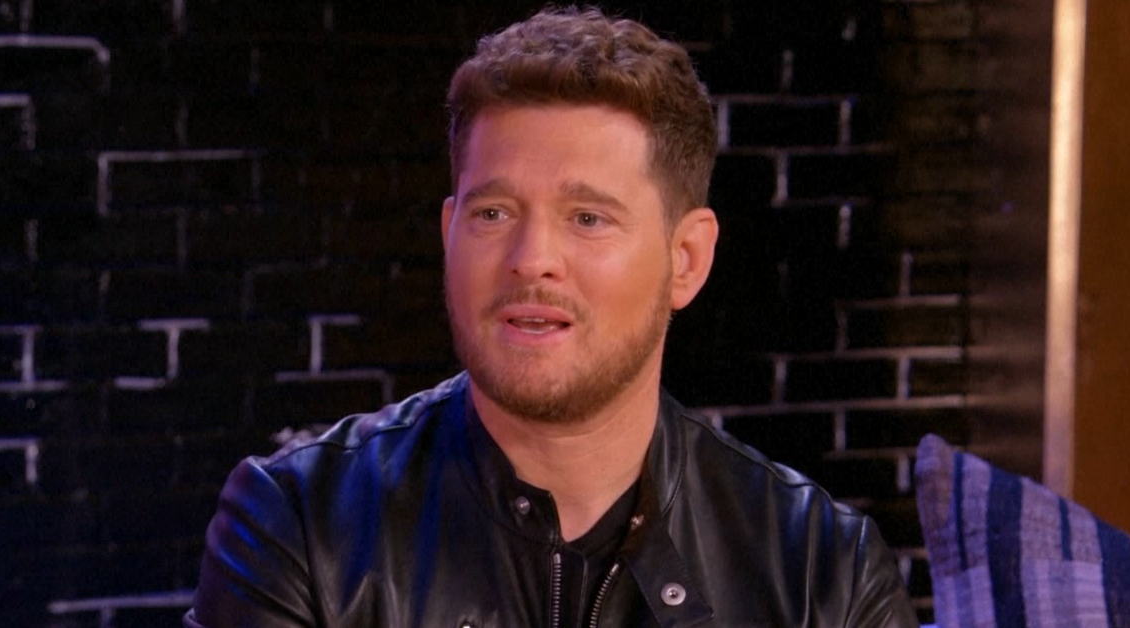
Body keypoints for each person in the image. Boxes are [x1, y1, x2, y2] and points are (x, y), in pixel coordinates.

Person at [186, 7, 918, 627]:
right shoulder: (302, 525)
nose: (531, 259)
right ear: (448, 234)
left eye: (587, 218)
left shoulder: (823, 572)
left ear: (687, 260)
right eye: (494, 213)